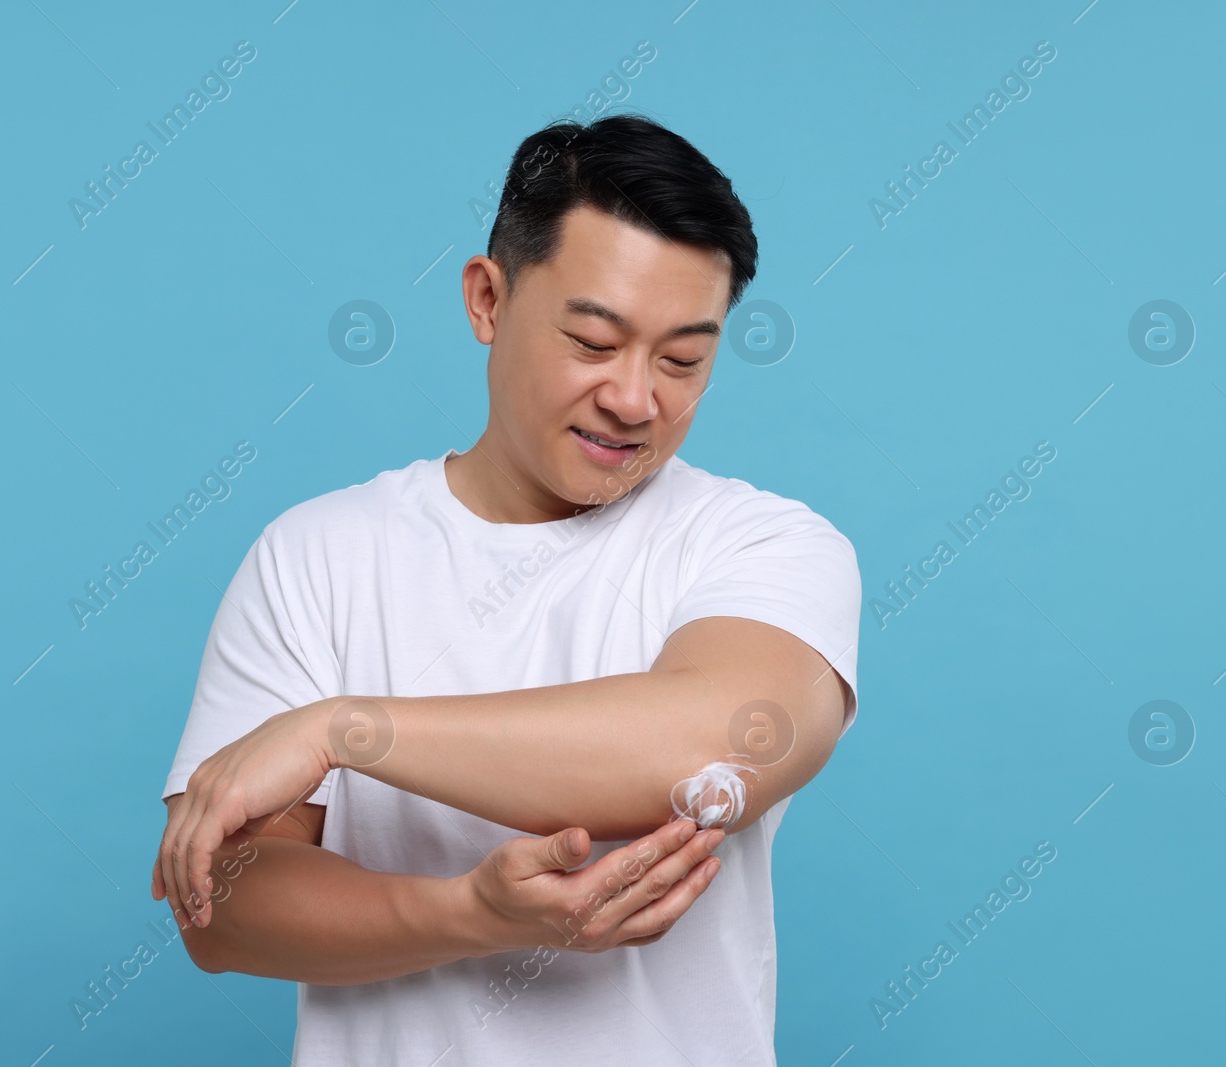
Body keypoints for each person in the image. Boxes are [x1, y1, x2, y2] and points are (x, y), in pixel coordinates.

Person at [153, 113, 862, 1066]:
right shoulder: (317, 555)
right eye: (593, 340)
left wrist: (342, 730)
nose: (635, 397)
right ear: (488, 299)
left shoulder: (765, 544)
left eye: (684, 359)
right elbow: (223, 910)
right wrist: (469, 913)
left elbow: (717, 741)